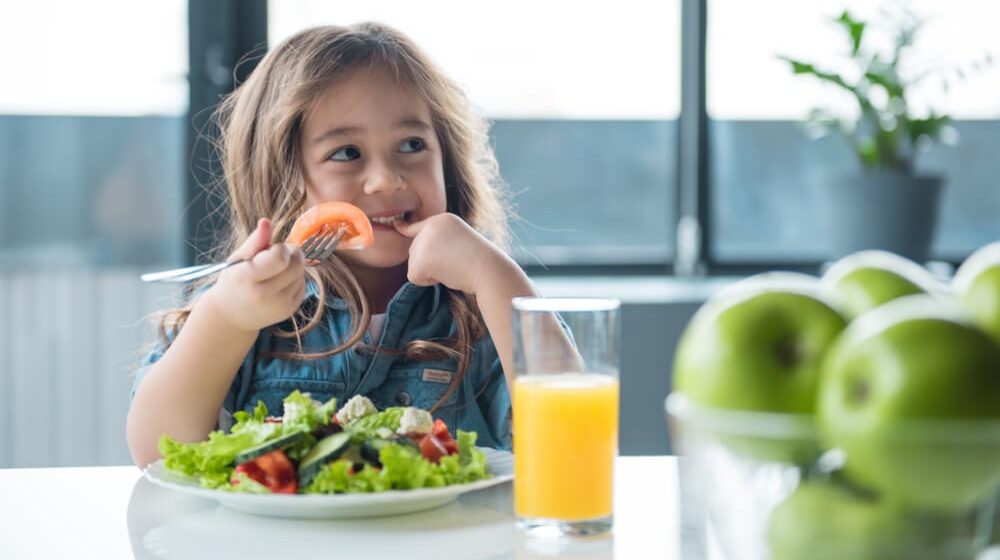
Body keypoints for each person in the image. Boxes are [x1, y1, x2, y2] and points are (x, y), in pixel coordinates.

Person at [126, 22, 537, 467]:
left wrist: (497, 279)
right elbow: (157, 453)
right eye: (346, 153)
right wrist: (225, 318)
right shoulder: (243, 305)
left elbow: (568, 441)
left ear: (448, 164)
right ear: (282, 179)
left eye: (412, 144)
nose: (386, 179)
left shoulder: (479, 310)